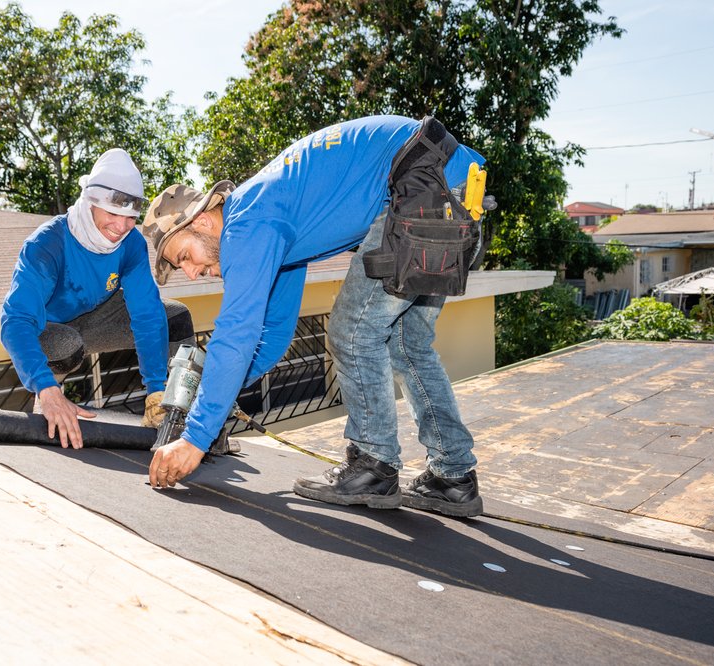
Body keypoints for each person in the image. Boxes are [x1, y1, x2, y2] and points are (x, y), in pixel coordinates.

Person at [141, 115, 487, 518]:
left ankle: (373, 465)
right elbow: (270, 337)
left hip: (423, 188)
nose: (192, 272)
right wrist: (211, 400)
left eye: (184, 256)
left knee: (352, 333)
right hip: (451, 188)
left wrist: (194, 438)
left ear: (201, 220)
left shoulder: (247, 225)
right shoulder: (272, 225)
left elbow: (236, 334)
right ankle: (453, 478)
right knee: (406, 343)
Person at [0, 148, 186, 449]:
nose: (121, 227)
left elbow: (147, 314)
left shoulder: (131, 244)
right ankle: (45, 404)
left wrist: (155, 387)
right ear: (90, 203)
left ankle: (175, 412)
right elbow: (15, 321)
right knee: (66, 346)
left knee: (175, 318)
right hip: (49, 331)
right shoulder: (47, 244)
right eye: (113, 214)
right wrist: (46, 388)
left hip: (97, 318)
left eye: (130, 218)